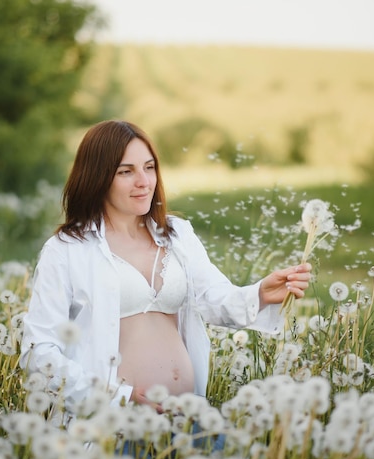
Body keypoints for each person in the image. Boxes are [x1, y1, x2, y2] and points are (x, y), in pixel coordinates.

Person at [20, 120, 312, 420]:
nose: (144, 181)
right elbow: (37, 351)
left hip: (189, 421)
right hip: (112, 427)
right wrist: (117, 398)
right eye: (126, 171)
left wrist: (261, 293)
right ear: (97, 177)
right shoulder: (67, 250)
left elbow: (214, 298)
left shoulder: (177, 234)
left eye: (149, 167)